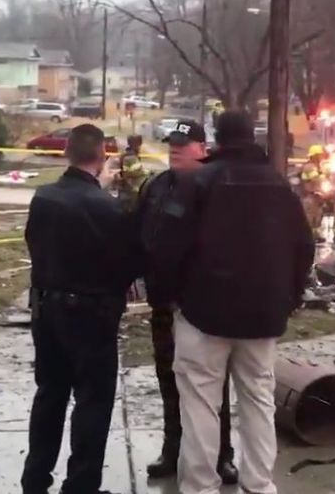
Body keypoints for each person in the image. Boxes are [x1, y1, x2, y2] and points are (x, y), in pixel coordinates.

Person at [151, 111, 315, 494]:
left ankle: (201, 486)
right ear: (251, 138)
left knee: (200, 405)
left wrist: (168, 296)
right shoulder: (279, 185)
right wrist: (287, 299)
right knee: (258, 399)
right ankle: (259, 485)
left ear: (218, 140)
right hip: (262, 316)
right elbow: (303, 247)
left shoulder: (198, 183)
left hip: (202, 314)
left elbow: (168, 246)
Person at [21, 123, 137, 494]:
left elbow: (33, 246)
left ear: (67, 152)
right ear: (103, 156)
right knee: (92, 401)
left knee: (49, 395)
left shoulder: (43, 198)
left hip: (46, 310)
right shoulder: (107, 208)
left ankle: (35, 480)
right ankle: (81, 486)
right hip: (91, 316)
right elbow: (125, 267)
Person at [135, 119, 238, 484]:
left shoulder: (217, 187)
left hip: (203, 307)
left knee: (214, 385)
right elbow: (141, 234)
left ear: (203, 148)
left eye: (183, 142)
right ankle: (173, 448)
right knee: (169, 377)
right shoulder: (157, 186)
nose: (174, 148)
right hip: (165, 304)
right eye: (171, 142)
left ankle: (222, 455)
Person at [299, 145, 326, 233]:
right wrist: (325, 176)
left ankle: (315, 235)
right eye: (320, 155)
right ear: (315, 156)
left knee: (317, 216)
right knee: (309, 217)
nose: (321, 157)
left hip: (316, 196)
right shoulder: (309, 167)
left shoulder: (317, 167)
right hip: (309, 196)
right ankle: (308, 235)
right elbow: (316, 179)